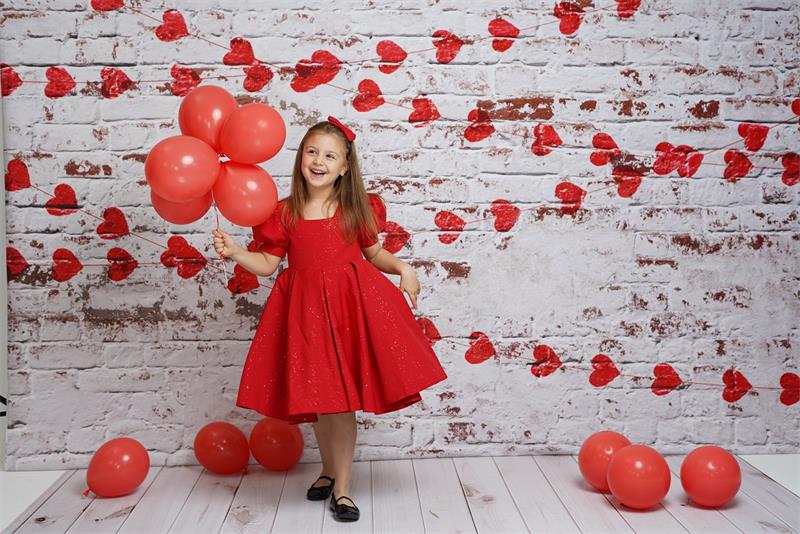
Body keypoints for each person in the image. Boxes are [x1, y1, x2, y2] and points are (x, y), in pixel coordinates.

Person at [212, 116, 448, 522]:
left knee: (341, 405)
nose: (319, 161)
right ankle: (326, 469)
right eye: (312, 152)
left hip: (347, 310)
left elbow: (373, 254)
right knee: (320, 402)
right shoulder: (284, 212)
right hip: (305, 316)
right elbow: (268, 264)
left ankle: (342, 489)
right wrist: (235, 252)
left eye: (330, 155)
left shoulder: (356, 207)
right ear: (301, 157)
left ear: (344, 167)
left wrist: (404, 269)